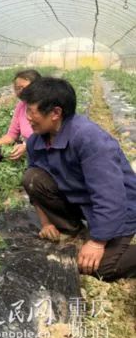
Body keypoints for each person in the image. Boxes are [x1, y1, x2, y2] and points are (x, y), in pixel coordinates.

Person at [20, 77, 136, 281]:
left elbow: (110, 196)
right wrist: (46, 223)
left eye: (32, 111)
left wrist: (97, 243)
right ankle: (75, 231)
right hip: (82, 202)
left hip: (120, 208)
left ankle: (106, 239)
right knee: (33, 178)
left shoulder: (89, 139)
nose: (27, 117)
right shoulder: (36, 141)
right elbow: (34, 186)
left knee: (100, 268)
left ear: (56, 113)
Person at [0, 69, 41, 163]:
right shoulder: (21, 106)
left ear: (37, 86)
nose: (20, 91)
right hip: (25, 146)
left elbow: (49, 137)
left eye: (23, 87)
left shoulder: (45, 105)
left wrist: (26, 146)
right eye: (17, 88)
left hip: (41, 149)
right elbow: (11, 135)